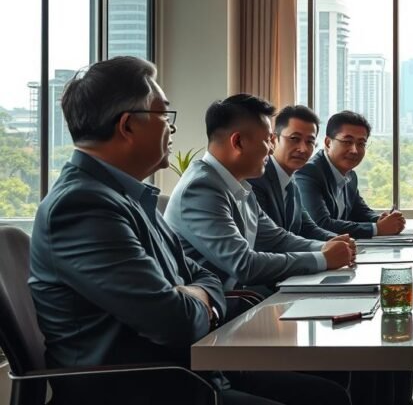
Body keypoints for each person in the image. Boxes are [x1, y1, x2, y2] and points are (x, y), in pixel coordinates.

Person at [28, 57, 344, 405]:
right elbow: (174, 321)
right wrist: (197, 297)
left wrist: (195, 292)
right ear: (128, 126)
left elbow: (201, 274)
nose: (171, 129)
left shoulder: (127, 195)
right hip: (144, 387)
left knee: (329, 393)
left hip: (186, 371)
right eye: (164, 116)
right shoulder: (83, 206)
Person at [164, 94, 357, 298]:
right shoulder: (201, 188)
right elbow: (244, 265)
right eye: (267, 140)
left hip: (240, 297)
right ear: (237, 142)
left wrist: (326, 246)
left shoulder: (238, 184)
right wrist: (323, 259)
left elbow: (277, 239)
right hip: (215, 308)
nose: (271, 149)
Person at [293, 110, 406, 238]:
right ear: (328, 143)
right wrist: (377, 229)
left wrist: (384, 219)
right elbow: (320, 224)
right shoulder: (308, 173)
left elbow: (361, 212)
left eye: (361, 144)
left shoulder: (350, 175)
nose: (354, 150)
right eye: (347, 142)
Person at [249, 105, 336, 241]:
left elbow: (308, 228)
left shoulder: (292, 182)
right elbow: (270, 239)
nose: (303, 149)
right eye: (294, 139)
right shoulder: (256, 178)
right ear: (273, 140)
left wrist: (338, 240)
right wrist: (326, 248)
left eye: (310, 142)